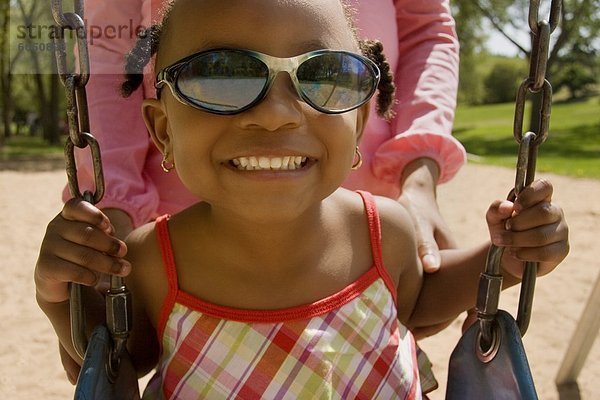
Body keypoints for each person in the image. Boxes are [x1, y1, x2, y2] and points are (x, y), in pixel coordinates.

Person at [35, 0, 569, 398]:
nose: (275, 114)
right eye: (219, 75)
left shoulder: (385, 230)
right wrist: (63, 300)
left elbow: (418, 301)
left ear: (360, 121)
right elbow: (113, 363)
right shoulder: (153, 260)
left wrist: (504, 259)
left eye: (324, 76)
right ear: (162, 130)